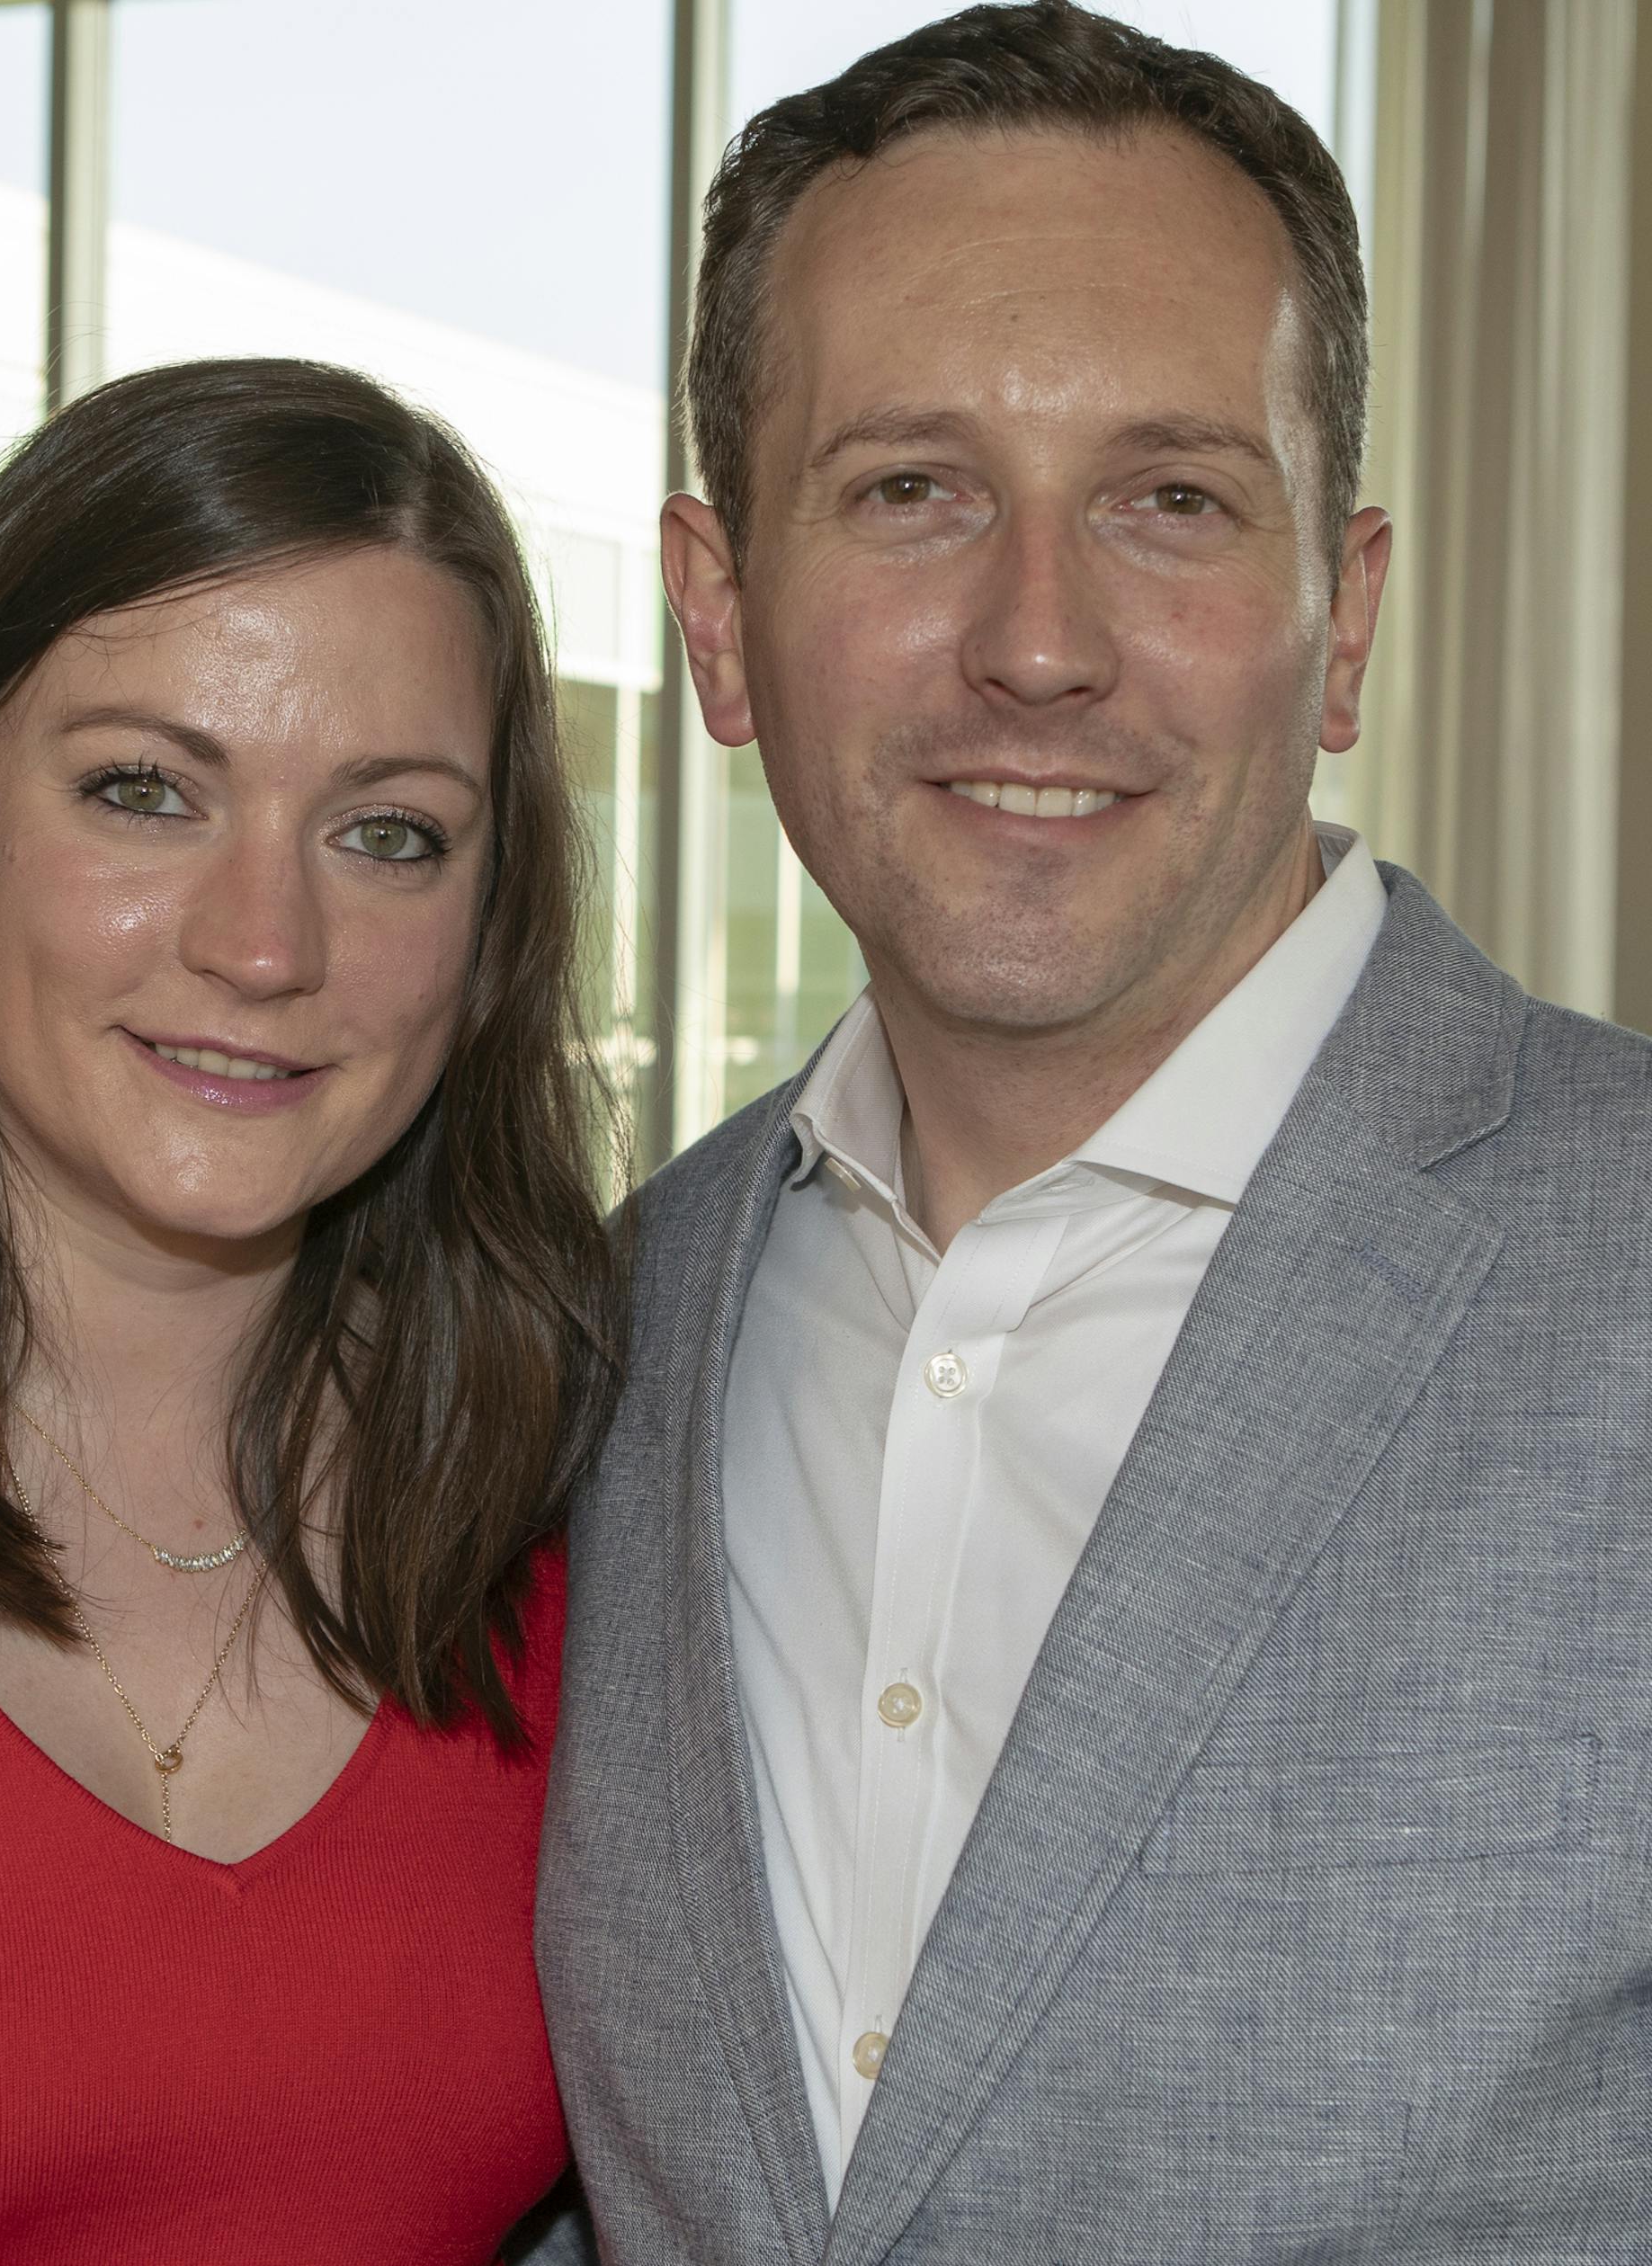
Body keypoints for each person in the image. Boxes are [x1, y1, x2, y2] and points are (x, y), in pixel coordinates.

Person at [537, 5, 1652, 2259]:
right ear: (720, 618)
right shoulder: (588, 1334)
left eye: (1169, 500)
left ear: (1342, 628)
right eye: (911, 491)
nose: (1039, 644)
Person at [0, 357, 619, 2264]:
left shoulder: (583, 1514)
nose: (264, 946)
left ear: (484, 929)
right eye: (147, 791)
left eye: (389, 833)